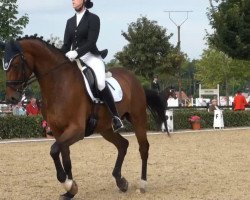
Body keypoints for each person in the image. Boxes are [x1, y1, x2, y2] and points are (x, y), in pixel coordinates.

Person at [61, 0, 123, 132]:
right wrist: (60, 56)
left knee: (100, 83)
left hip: (91, 57)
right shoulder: (69, 21)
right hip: (73, 57)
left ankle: (116, 117)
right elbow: (66, 45)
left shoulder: (93, 18)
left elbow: (91, 41)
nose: (72, 1)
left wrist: (77, 52)